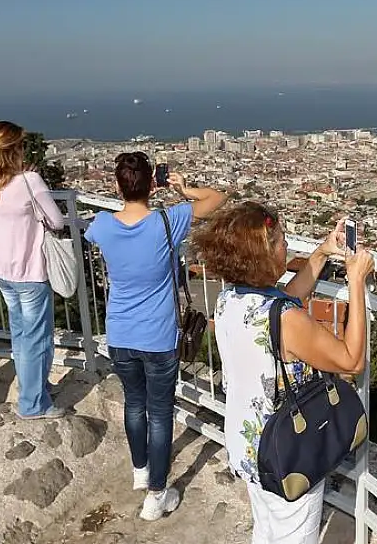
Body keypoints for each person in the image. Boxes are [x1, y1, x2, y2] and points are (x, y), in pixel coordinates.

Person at [192, 203, 374, 544]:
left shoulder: (230, 297)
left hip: (248, 441)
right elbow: (351, 361)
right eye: (280, 242)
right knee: (295, 534)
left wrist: (321, 253)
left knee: (267, 528)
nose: (286, 246)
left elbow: (284, 299)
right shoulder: (287, 319)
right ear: (262, 257)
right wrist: (356, 282)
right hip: (288, 448)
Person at [83, 151, 226, 521]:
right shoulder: (168, 220)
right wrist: (182, 187)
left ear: (118, 185)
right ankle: (156, 496)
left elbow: (92, 232)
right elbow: (217, 199)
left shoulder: (102, 224)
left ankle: (140, 470)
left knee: (134, 403)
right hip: (159, 336)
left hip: (120, 333)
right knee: (160, 413)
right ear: (151, 183)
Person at [0, 120, 65, 420]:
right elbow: (58, 221)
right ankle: (33, 403)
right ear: (16, 149)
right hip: (27, 269)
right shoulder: (29, 181)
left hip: (1, 270)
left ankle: (34, 386)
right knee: (37, 337)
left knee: (22, 334)